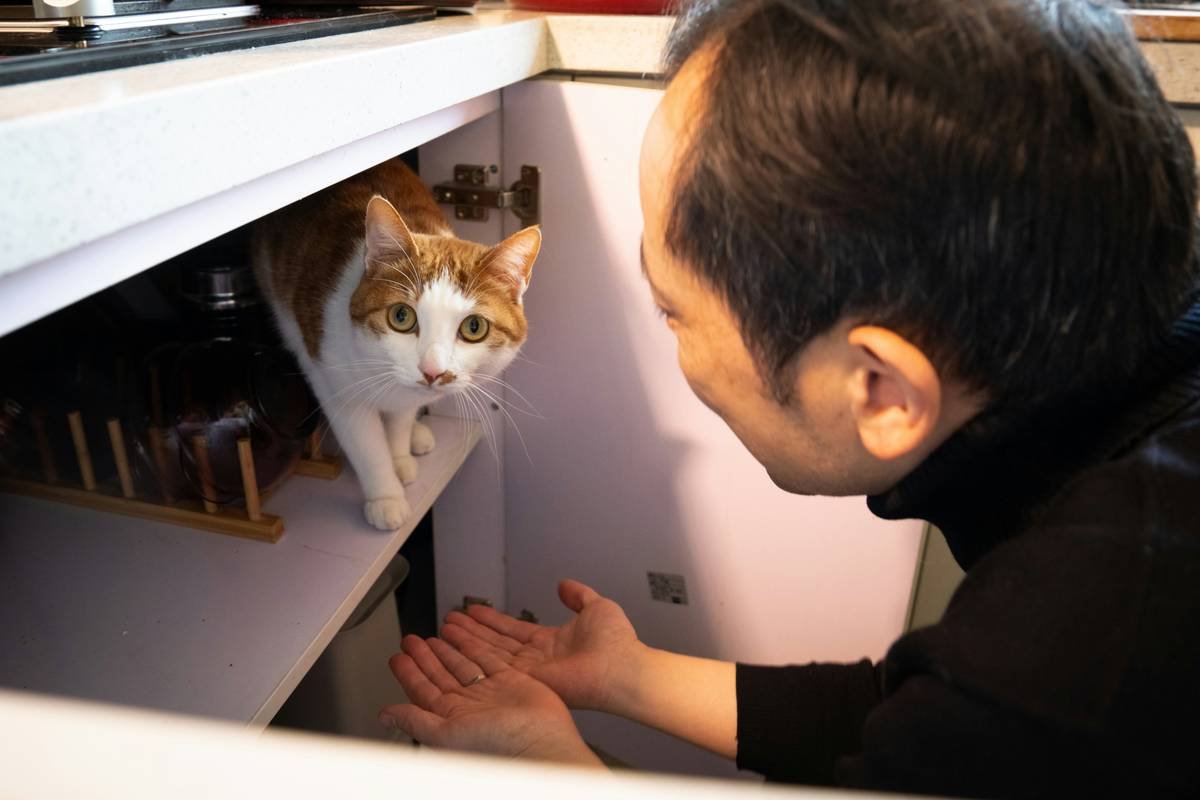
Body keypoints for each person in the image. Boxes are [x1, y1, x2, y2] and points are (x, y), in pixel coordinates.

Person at [377, 0, 1200, 796]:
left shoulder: (1090, 651)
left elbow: (989, 716)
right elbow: (927, 714)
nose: (671, 342)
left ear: (879, 391)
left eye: (673, 311)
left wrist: (541, 758)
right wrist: (628, 677)